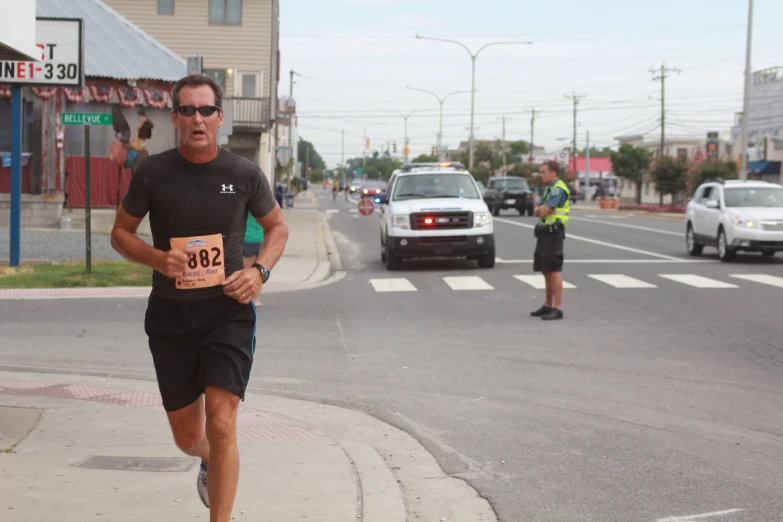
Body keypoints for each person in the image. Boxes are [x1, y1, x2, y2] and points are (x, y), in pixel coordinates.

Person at [110, 74, 288, 522]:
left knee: (223, 424)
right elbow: (119, 234)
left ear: (219, 118)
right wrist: (156, 258)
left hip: (227, 311)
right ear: (174, 118)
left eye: (205, 110)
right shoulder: (152, 173)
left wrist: (259, 271)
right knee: (189, 437)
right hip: (170, 316)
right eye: (186, 110)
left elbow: (277, 228)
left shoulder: (243, 174)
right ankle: (207, 458)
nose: (196, 118)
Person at [530, 160, 570, 321]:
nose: (541, 175)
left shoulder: (558, 189)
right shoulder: (549, 189)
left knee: (554, 270)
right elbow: (536, 211)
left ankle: (557, 308)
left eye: (543, 172)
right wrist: (541, 210)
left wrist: (542, 210)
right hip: (544, 233)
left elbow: (544, 210)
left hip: (554, 233)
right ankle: (547, 304)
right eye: (540, 172)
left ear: (553, 172)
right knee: (546, 270)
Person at [242, 214, 264, 307]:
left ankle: (247, 297)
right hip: (260, 238)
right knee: (259, 271)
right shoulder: (262, 207)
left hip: (248, 238)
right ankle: (256, 299)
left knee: (247, 271)